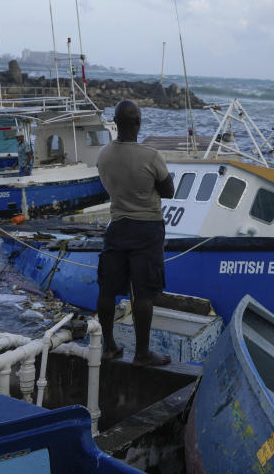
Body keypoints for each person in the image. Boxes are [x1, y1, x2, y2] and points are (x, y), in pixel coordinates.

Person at [95, 100, 175, 366]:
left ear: (115, 123)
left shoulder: (104, 155)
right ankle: (142, 353)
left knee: (107, 289)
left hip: (117, 226)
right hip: (147, 228)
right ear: (138, 123)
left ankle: (109, 346)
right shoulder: (151, 156)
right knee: (143, 293)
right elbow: (168, 191)